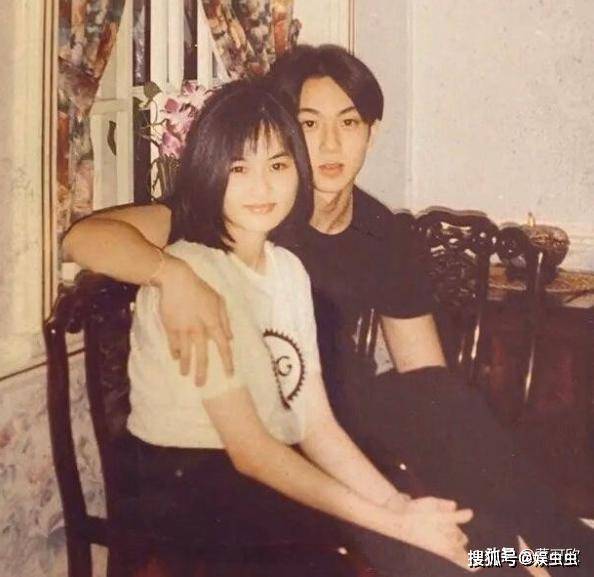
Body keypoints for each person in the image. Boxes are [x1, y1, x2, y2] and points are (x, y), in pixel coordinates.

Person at [63, 45, 591, 575]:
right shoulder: (236, 214)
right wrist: (171, 274)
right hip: (252, 440)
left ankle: (559, 553)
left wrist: (437, 476)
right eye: (310, 123)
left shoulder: (371, 233)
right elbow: (84, 238)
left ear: (372, 133)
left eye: (349, 122)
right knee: (426, 533)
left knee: (451, 424)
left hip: (334, 411)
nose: (331, 143)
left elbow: (422, 375)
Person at [120, 78, 478, 577]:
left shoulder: (286, 270)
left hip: (261, 471)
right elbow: (251, 453)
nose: (262, 187)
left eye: (278, 165)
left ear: (299, 171)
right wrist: (394, 524)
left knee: (434, 548)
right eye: (239, 168)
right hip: (187, 487)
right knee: (371, 552)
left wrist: (400, 508)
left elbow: (315, 424)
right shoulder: (197, 273)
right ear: (207, 171)